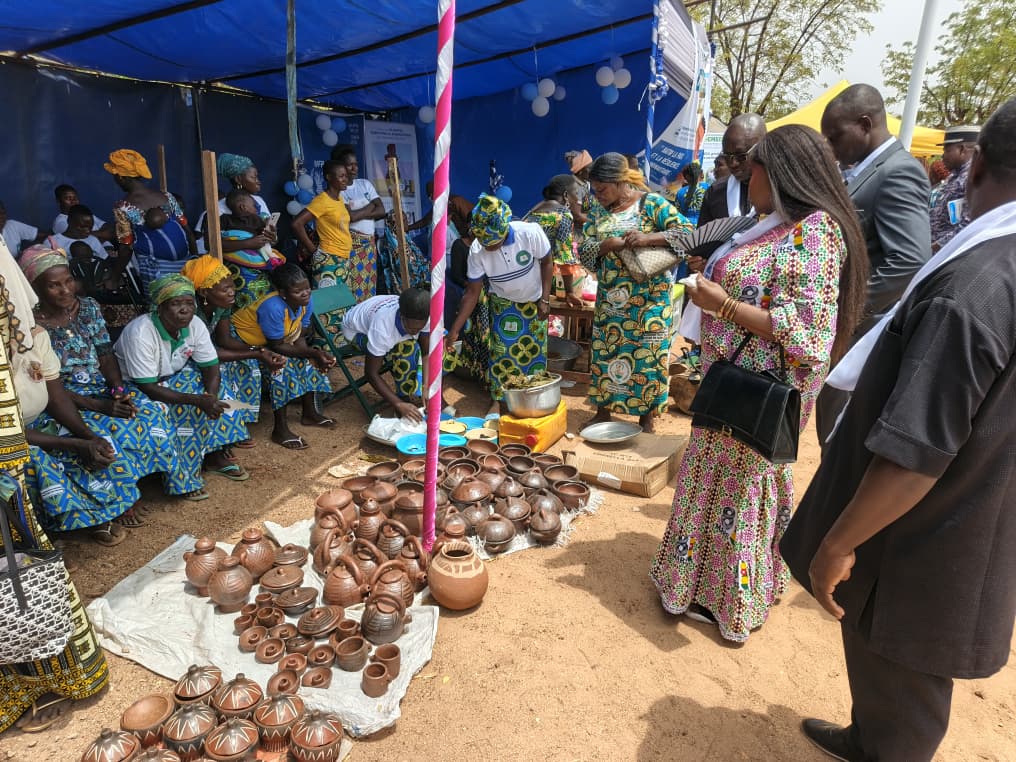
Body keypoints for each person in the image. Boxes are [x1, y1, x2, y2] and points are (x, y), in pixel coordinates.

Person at [780, 98, 1016, 762]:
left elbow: (915, 454)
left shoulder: (969, 290)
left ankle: (886, 746)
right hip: (972, 508)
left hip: (927, 533)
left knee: (902, 665)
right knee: (886, 671)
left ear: (974, 170)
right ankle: (869, 737)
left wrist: (839, 544)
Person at [650, 125, 868, 642]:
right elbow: (762, 286)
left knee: (741, 493)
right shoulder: (775, 224)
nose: (746, 178)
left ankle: (732, 598)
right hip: (733, 379)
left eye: (755, 169)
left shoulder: (814, 231)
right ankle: (693, 584)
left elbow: (806, 333)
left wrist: (718, 303)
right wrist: (718, 278)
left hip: (762, 390)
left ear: (783, 173)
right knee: (710, 483)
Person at [0, 238, 109, 735]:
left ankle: (42, 670)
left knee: (26, 573)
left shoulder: (27, 336)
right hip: (15, 453)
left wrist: (87, 435)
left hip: (23, 449)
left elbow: (56, 393)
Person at [18, 245, 182, 542]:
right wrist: (99, 406)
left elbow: (106, 356)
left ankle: (150, 482)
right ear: (35, 288)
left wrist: (117, 391)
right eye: (53, 285)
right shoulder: (30, 328)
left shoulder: (89, 307)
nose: (65, 290)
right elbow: (51, 388)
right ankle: (119, 502)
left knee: (148, 410)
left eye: (68, 281)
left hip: (98, 387)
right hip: (61, 399)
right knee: (106, 432)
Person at [815, 84, 932, 444]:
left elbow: (909, 259)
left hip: (862, 331)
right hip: (848, 329)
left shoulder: (897, 172)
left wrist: (847, 310)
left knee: (841, 434)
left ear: (865, 124)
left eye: (835, 136)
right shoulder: (864, 170)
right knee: (832, 430)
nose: (831, 147)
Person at [579, 152, 690, 433]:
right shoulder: (597, 212)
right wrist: (609, 245)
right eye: (594, 189)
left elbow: (687, 232)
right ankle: (604, 411)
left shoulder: (651, 204)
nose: (598, 194)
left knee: (648, 356)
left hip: (650, 300)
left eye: (602, 189)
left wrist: (647, 238)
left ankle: (647, 417)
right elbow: (585, 251)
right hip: (611, 301)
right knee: (606, 353)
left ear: (619, 182)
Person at [114, 274, 250, 501]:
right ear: (160, 307)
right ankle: (182, 479)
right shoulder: (140, 332)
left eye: (189, 303)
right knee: (171, 409)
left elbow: (211, 367)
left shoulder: (195, 324)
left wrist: (210, 396)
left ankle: (214, 455)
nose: (185, 310)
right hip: (137, 384)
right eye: (176, 304)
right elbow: (148, 387)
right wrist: (198, 401)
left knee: (220, 390)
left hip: (172, 376)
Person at [446, 196, 553, 415]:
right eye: (485, 242)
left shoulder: (530, 232)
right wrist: (456, 328)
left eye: (493, 241)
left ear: (504, 229)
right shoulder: (477, 250)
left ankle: (532, 400)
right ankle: (499, 400)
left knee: (534, 354)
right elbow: (472, 292)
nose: (489, 246)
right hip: (503, 303)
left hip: (534, 302)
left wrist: (545, 299)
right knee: (501, 353)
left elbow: (547, 261)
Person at [230, 263, 336, 449]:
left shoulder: (305, 302)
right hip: (242, 344)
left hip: (271, 343)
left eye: (307, 288)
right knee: (281, 368)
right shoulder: (273, 307)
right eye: (298, 291)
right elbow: (277, 346)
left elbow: (299, 337)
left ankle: (310, 413)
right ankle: (280, 429)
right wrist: (313, 352)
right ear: (283, 293)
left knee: (308, 362)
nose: (305, 294)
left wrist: (311, 355)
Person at [341, 288, 446, 422]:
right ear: (401, 317)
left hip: (375, 318)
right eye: (412, 329)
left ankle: (429, 397)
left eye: (419, 329)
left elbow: (427, 353)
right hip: (356, 332)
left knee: (439, 343)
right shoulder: (382, 327)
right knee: (407, 349)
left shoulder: (426, 315)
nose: (415, 333)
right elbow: (371, 373)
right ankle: (402, 398)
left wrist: (427, 386)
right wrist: (398, 403)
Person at [106, 149, 197, 291]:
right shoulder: (167, 196)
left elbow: (126, 248)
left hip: (154, 271)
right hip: (184, 267)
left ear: (121, 177)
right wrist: (195, 260)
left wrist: (114, 277)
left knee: (160, 308)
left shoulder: (123, 207)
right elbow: (188, 232)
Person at [292, 160, 356, 293]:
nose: (345, 179)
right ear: (329, 177)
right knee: (328, 306)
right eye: (341, 176)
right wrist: (313, 250)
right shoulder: (322, 201)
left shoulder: (339, 199)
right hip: (329, 260)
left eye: (346, 175)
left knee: (341, 304)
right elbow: (296, 223)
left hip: (342, 259)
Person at [218, 188, 286, 311]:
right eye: (254, 205)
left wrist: (272, 236)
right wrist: (248, 243)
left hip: (259, 267)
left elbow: (269, 242)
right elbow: (214, 244)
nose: (256, 208)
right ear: (242, 206)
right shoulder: (223, 220)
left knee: (264, 299)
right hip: (236, 269)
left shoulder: (257, 220)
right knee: (245, 303)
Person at [524, 174, 585, 308]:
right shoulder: (563, 214)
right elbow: (565, 254)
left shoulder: (534, 211)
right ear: (565, 195)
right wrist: (569, 292)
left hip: (520, 274)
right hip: (540, 282)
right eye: (575, 193)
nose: (576, 198)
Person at [697, 114, 766, 227]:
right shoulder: (716, 192)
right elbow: (702, 241)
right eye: (727, 156)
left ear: (762, 147)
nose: (733, 164)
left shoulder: (783, 191)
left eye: (741, 156)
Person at [332, 145, 387, 278]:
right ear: (341, 167)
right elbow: (350, 217)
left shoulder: (364, 184)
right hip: (352, 245)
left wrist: (360, 214)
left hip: (369, 244)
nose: (354, 168)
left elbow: (382, 211)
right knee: (355, 282)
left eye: (355, 164)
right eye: (350, 165)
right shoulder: (339, 190)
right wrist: (370, 207)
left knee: (369, 283)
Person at [929, 125, 979, 252]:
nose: (943, 156)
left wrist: (935, 247)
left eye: (946, 150)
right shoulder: (954, 176)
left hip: (947, 255)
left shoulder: (973, 178)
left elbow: (969, 225)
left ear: (961, 149)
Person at [565, 149, 594, 228]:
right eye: (589, 169)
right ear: (580, 172)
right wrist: (597, 223)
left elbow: (586, 207)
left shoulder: (585, 184)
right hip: (573, 230)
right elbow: (578, 216)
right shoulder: (575, 187)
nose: (592, 171)